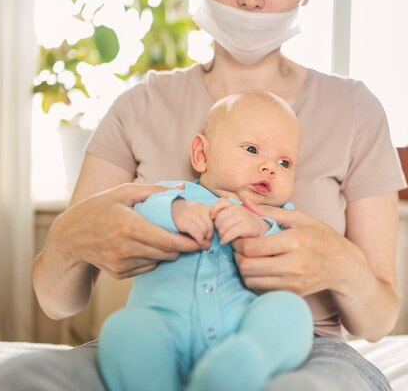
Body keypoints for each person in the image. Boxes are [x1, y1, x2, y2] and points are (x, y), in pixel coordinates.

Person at [0, 0, 406, 390]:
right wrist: (70, 241)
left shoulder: (355, 112)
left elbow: (377, 320)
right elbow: (58, 302)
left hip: (300, 349)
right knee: (18, 382)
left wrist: (343, 266)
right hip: (163, 335)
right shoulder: (140, 106)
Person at [98, 90, 313, 391]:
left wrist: (260, 229)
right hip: (164, 325)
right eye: (252, 149)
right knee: (123, 329)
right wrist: (174, 211)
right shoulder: (174, 193)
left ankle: (246, 361)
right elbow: (135, 216)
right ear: (202, 155)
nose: (269, 167)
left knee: (292, 311)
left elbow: (295, 258)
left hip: (241, 328)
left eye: (285, 163)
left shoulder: (278, 217)